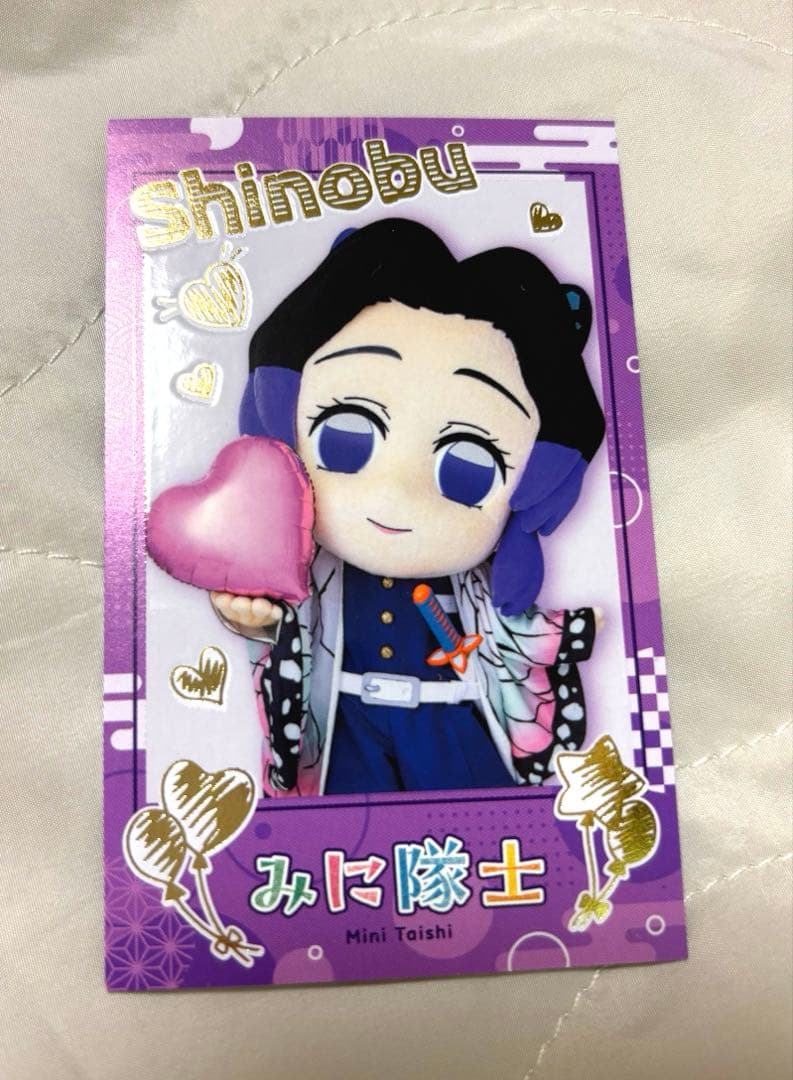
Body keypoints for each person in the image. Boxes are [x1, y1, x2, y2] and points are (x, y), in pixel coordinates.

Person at [211, 218, 605, 796]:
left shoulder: (474, 582)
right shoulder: (312, 568)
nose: (397, 494)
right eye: (346, 437)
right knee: (341, 832)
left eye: (468, 468)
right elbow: (291, 627)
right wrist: (253, 617)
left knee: (480, 827)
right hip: (346, 724)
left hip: (450, 718)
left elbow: (506, 634)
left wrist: (565, 632)